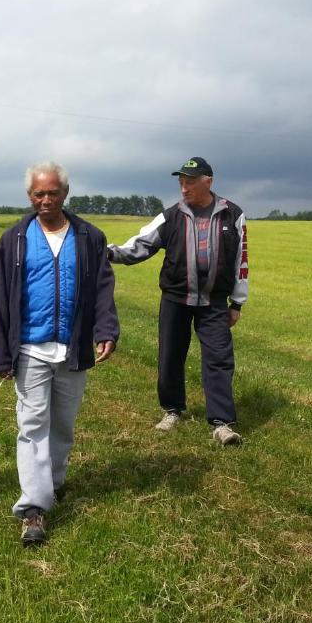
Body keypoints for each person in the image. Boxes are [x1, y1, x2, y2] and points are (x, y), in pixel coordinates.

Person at [0, 162, 119, 546]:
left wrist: (106, 328)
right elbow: (0, 298)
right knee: (32, 426)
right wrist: (2, 353)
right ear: (29, 197)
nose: (45, 200)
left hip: (73, 347)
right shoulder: (14, 239)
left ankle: (53, 482)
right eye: (38, 194)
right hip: (30, 347)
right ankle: (33, 509)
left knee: (62, 425)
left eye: (52, 193)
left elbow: (102, 287)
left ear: (65, 193)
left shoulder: (88, 237)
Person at [108, 156, 248, 445]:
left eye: (190, 183)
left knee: (219, 359)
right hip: (176, 299)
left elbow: (240, 261)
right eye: (181, 183)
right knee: (170, 356)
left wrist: (237, 303)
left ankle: (222, 423)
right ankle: (172, 410)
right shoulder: (171, 216)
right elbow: (141, 244)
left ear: (208, 181)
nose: (184, 189)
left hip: (214, 302)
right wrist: (109, 253)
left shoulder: (231, 214)